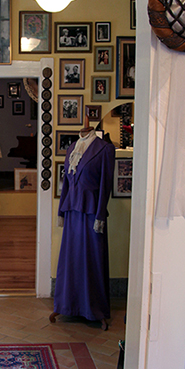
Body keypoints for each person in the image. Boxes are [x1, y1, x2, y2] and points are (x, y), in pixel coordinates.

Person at [50, 128, 115, 329]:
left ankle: (93, 309)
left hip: (91, 212)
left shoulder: (104, 149)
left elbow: (105, 184)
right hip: (72, 212)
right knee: (71, 259)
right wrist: (61, 211)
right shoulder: (72, 148)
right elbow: (66, 184)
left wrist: (100, 215)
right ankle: (68, 304)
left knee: (92, 260)